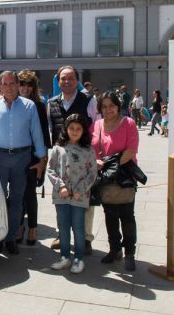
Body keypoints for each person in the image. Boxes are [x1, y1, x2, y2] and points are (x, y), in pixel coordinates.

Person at [0, 71, 47, 255]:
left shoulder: (29, 106)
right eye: (5, 84)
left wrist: (41, 160)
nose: (9, 87)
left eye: (12, 83)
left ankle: (10, 238)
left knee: (16, 200)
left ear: (17, 85)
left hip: (21, 158)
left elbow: (37, 134)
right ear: (0, 87)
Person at [47, 66, 97, 253]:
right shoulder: (51, 103)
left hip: (83, 158)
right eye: (62, 78)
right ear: (58, 81)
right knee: (62, 197)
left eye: (70, 78)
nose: (66, 82)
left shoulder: (89, 101)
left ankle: (86, 238)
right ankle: (63, 235)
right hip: (62, 159)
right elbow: (51, 129)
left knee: (86, 200)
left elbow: (96, 127)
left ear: (77, 80)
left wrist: (94, 156)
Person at [92, 91, 140, 271]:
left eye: (111, 105)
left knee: (127, 216)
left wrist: (111, 164)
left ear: (118, 106)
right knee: (110, 215)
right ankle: (115, 249)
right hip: (105, 177)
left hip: (125, 175)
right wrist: (96, 160)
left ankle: (129, 253)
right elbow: (93, 147)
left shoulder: (129, 123)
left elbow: (131, 150)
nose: (108, 109)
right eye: (103, 106)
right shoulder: (97, 125)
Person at [47, 114, 97, 274]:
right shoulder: (58, 148)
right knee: (62, 227)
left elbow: (92, 172)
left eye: (78, 129)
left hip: (79, 197)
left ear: (83, 131)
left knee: (78, 227)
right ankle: (64, 257)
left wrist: (79, 190)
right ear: (66, 129)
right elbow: (51, 169)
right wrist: (60, 186)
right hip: (61, 196)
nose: (74, 132)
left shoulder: (88, 150)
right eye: (71, 128)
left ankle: (78, 258)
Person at [17, 69, 52, 246]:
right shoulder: (12, 103)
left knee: (30, 192)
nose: (25, 87)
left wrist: (42, 162)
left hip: (33, 156)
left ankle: (32, 228)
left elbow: (45, 135)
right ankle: (20, 226)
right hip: (16, 155)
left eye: (29, 84)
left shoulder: (38, 105)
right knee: (17, 193)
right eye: (22, 83)